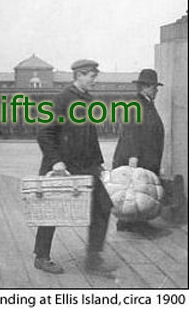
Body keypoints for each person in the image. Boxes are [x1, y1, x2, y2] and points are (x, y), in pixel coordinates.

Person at [34, 59, 115, 275]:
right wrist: (56, 161)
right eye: (92, 76)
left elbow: (89, 136)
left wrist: (97, 163)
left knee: (103, 206)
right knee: (51, 211)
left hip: (86, 166)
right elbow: (44, 132)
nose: (95, 80)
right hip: (62, 166)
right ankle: (41, 257)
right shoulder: (62, 99)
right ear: (79, 75)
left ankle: (93, 258)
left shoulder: (87, 100)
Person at [112, 69, 165, 233]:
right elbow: (131, 131)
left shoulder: (147, 103)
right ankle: (129, 223)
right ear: (145, 87)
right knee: (134, 190)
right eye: (154, 87)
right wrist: (133, 156)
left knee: (137, 191)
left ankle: (131, 222)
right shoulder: (136, 104)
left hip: (146, 155)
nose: (156, 90)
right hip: (137, 156)